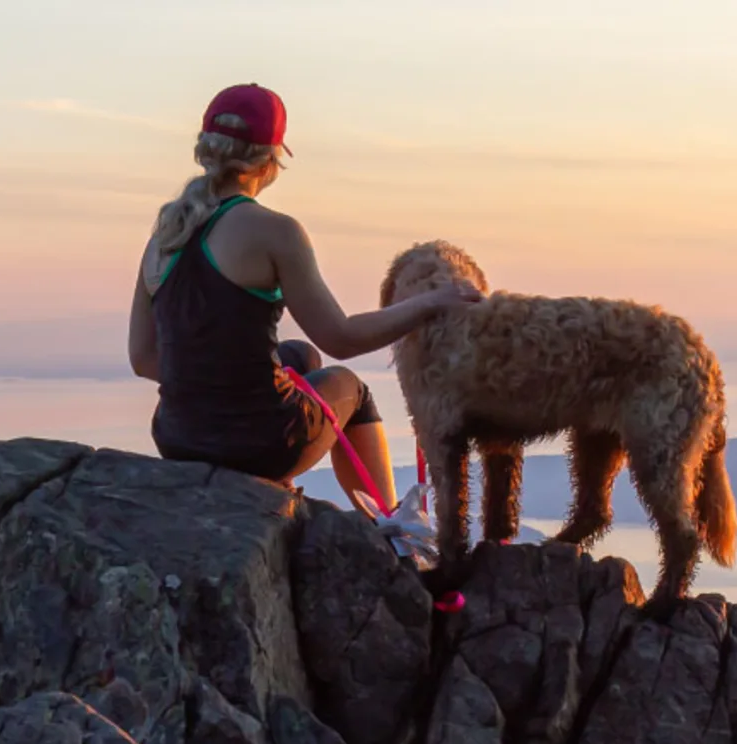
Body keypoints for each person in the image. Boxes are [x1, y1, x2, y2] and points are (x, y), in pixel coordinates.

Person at [126, 83, 483, 508]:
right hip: (260, 444)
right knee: (352, 389)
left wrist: (210, 384)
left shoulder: (165, 236)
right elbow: (342, 339)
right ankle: (389, 529)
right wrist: (430, 302)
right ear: (271, 159)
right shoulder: (275, 231)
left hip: (178, 437)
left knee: (301, 356)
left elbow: (144, 358)